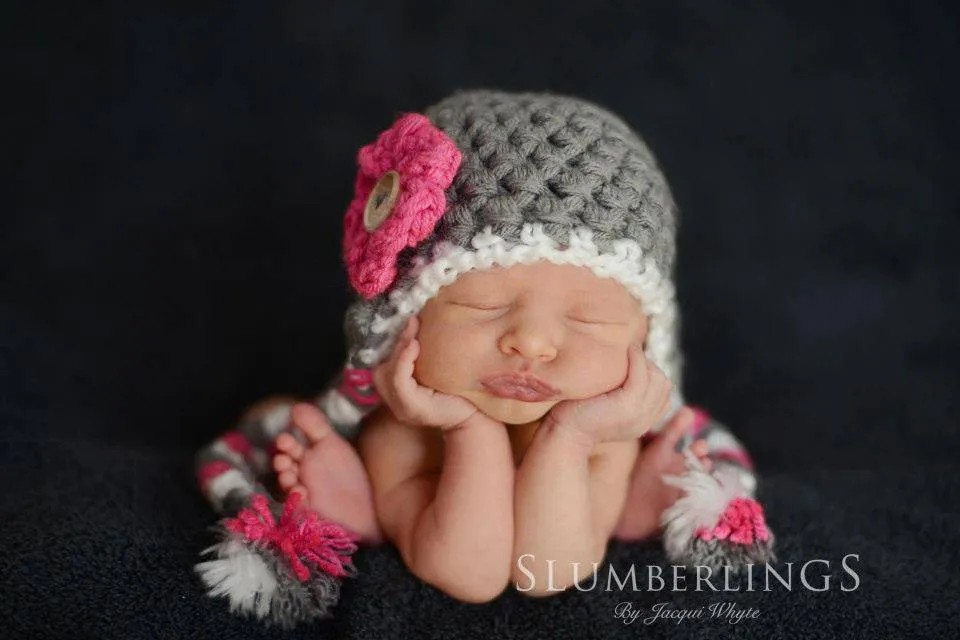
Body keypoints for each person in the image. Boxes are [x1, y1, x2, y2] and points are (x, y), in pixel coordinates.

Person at [194, 90, 773, 626]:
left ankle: (626, 511)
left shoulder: (606, 435)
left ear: (646, 340)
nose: (533, 343)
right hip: (428, 479)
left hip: (586, 464)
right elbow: (468, 575)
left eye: (586, 319)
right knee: (295, 420)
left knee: (602, 501)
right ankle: (370, 514)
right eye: (482, 305)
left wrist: (571, 436)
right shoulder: (403, 431)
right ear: (402, 319)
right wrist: (466, 428)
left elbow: (548, 571)